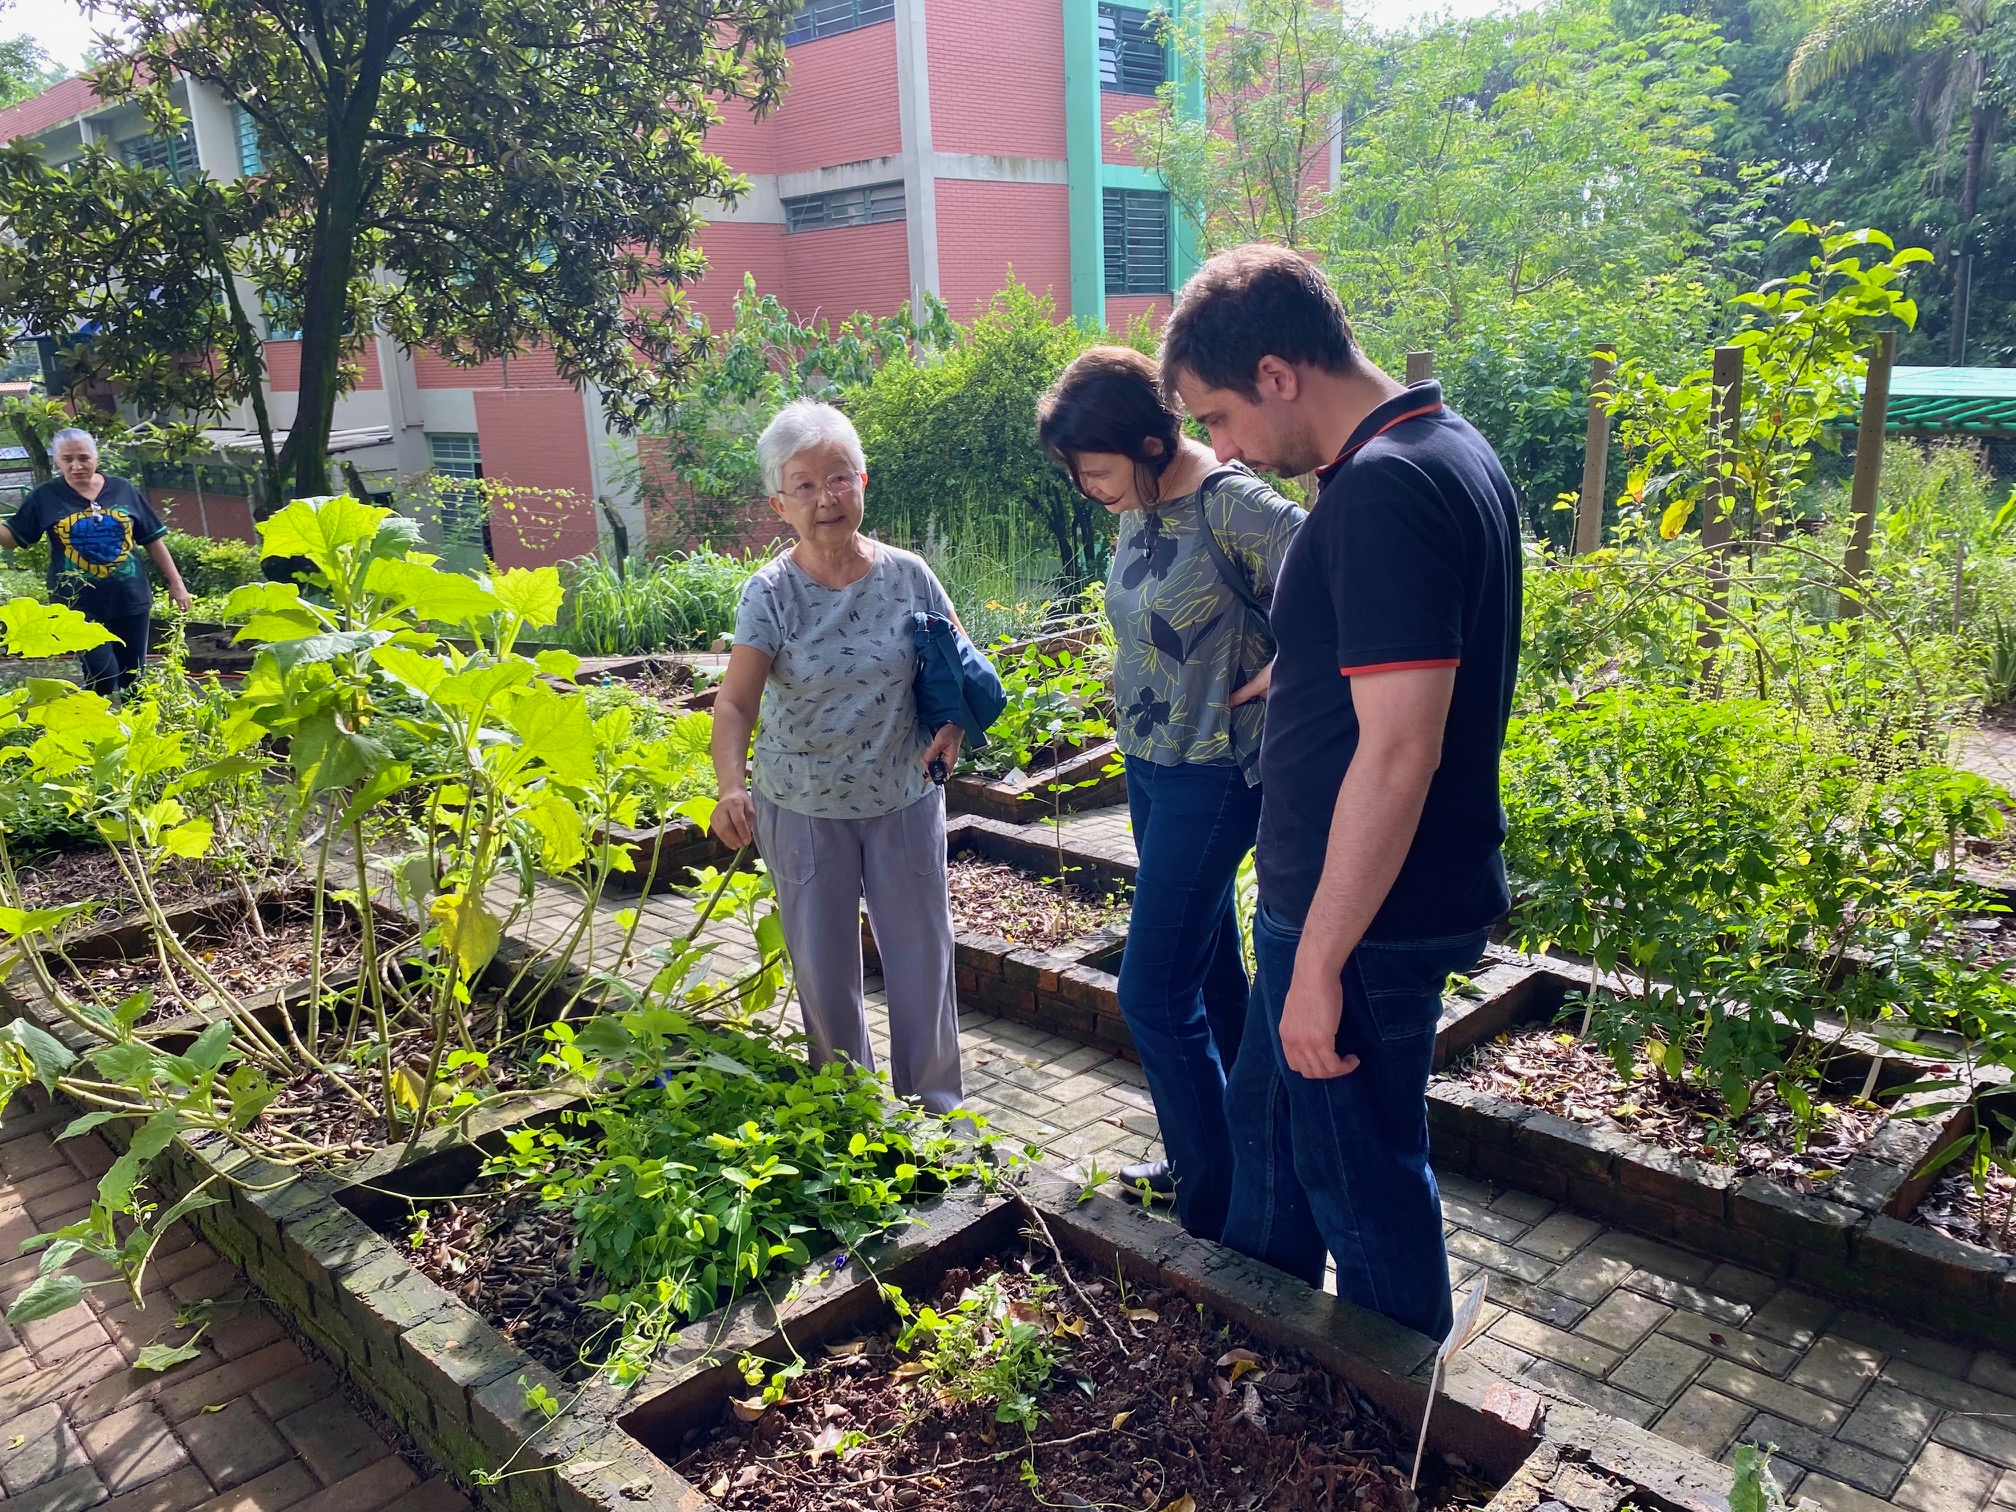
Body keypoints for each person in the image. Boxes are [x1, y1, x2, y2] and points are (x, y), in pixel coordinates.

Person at [1159, 245, 1521, 1340]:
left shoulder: (1386, 490)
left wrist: (1317, 968)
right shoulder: (1438, 448)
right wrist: (1296, 670)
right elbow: (1394, 656)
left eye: (1220, 419)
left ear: (1278, 374)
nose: (1223, 451)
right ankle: (1258, 1351)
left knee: (1360, 1179)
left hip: (1362, 920)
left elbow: (1402, 749)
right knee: (1270, 1137)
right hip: (1330, 902)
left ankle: (1403, 1410)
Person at [1036, 347, 1303, 1241]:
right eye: (1077, 476)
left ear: (1149, 442)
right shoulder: (1141, 502)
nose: (1088, 490)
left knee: (1151, 995)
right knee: (1212, 980)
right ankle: (1224, 1169)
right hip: (1150, 766)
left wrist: (1285, 674)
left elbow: (1345, 583)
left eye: (1095, 470)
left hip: (1214, 773)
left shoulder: (1231, 502)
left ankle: (1213, 1211)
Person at [709, 399, 967, 1114]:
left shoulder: (910, 575)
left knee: (923, 960)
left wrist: (953, 727)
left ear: (862, 482)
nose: (826, 498)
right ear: (779, 504)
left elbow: (956, 667)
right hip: (803, 807)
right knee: (825, 974)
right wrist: (731, 786)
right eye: (804, 485)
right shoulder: (770, 593)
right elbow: (735, 705)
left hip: (903, 796)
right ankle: (849, 1115)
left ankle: (936, 1112)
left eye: (839, 478)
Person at [0, 428, 192, 698]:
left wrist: (177, 583)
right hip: (76, 604)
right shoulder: (45, 497)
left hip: (130, 598)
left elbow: (152, 540)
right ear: (57, 461)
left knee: (134, 678)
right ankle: (91, 720)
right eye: (67, 459)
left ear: (96, 458)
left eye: (83, 458)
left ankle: (136, 722)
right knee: (102, 674)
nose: (76, 466)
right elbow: (13, 539)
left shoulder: (123, 489)